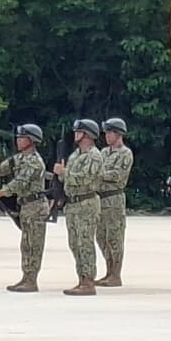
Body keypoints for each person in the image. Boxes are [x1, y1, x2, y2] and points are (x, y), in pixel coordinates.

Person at [0, 124, 47, 292]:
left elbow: (20, 182)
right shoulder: (19, 159)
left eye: (22, 137)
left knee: (34, 244)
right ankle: (26, 277)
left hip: (35, 206)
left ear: (31, 140)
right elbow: (0, 169)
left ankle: (31, 280)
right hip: (26, 205)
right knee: (26, 244)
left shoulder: (35, 162)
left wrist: (2, 192)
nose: (18, 140)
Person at [55, 119, 104, 295]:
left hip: (86, 203)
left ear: (88, 135)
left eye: (80, 131)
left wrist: (64, 172)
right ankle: (81, 278)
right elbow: (67, 178)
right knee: (75, 243)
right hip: (73, 203)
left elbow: (85, 178)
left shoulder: (94, 156)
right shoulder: (76, 154)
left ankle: (89, 281)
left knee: (85, 242)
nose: (76, 134)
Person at [95, 118, 133, 287]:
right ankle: (108, 271)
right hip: (100, 199)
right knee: (101, 236)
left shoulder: (125, 153)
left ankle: (115, 274)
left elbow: (117, 175)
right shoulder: (103, 152)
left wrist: (98, 173)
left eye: (109, 133)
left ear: (118, 134)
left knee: (114, 237)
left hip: (114, 198)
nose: (107, 136)